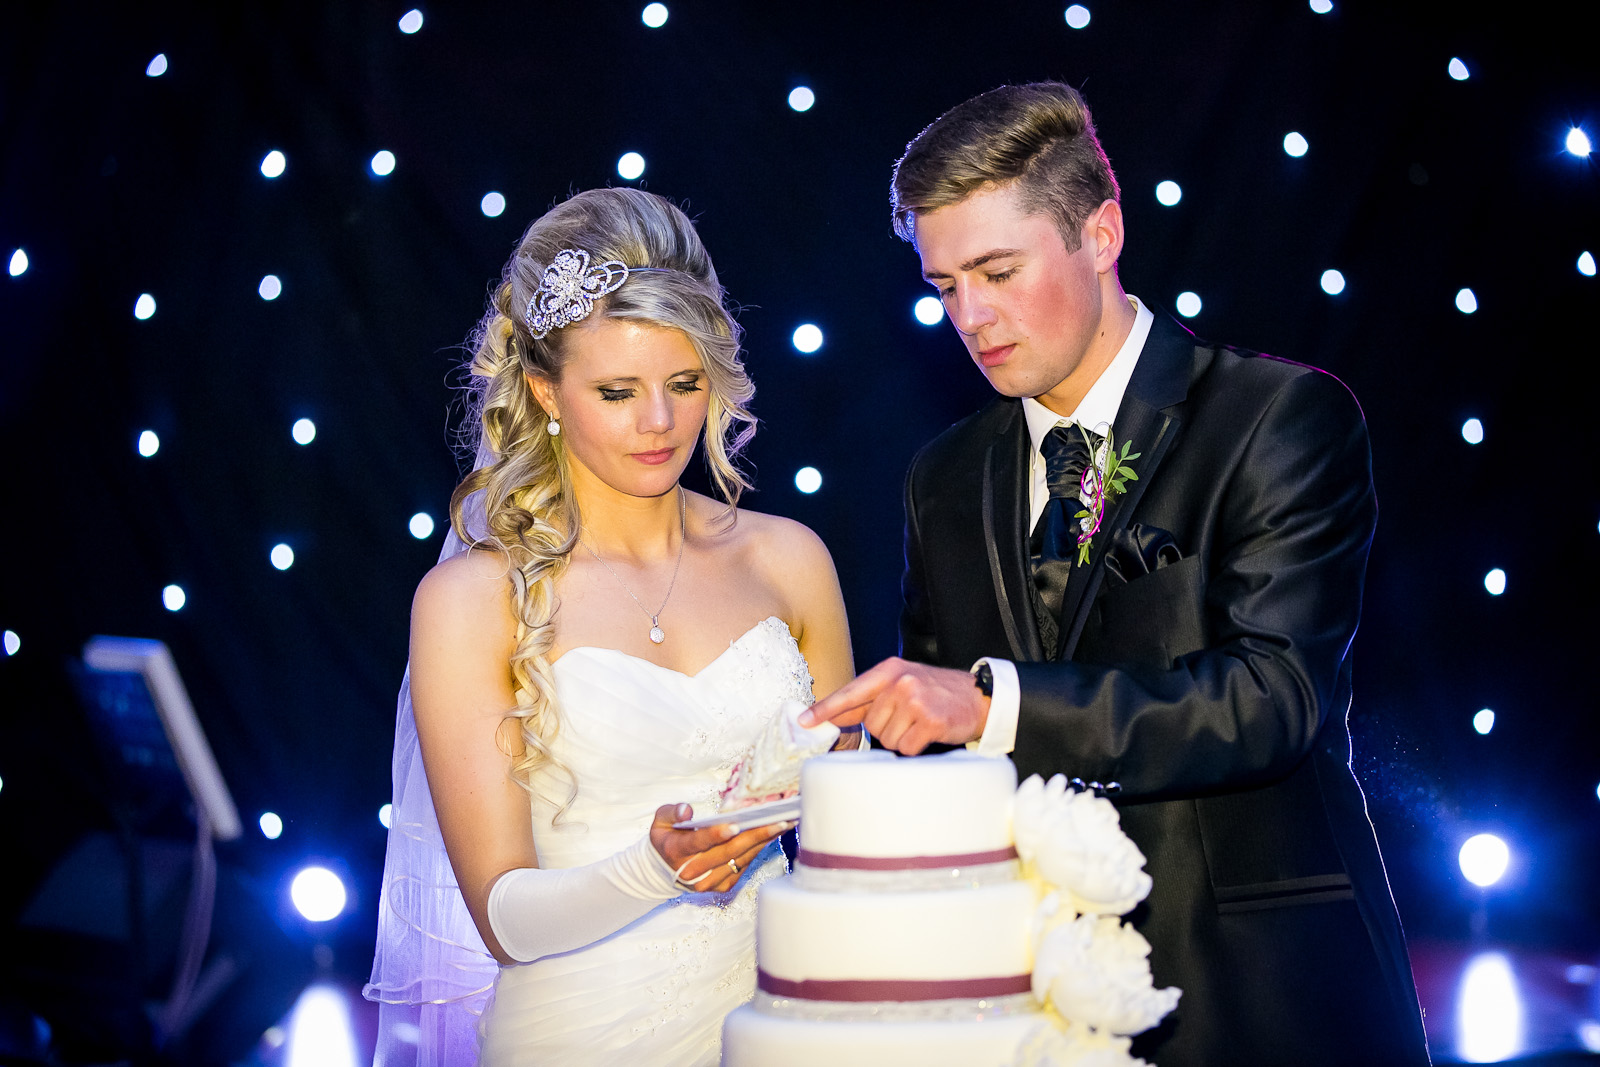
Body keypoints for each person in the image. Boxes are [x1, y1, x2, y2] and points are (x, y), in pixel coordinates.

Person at [803, 83, 1430, 1065]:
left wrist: (993, 704)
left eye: (997, 271)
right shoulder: (942, 475)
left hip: (1257, 996)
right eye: (944, 285)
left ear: (1100, 233)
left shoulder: (1277, 417)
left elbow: (1271, 699)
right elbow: (937, 744)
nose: (970, 314)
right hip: (1021, 1006)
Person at [364, 187, 855, 1065]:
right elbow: (504, 919)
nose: (659, 422)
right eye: (618, 391)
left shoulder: (789, 559)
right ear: (545, 390)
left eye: (684, 384)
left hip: (791, 1022)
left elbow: (851, 838)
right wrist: (655, 867)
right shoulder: (471, 600)